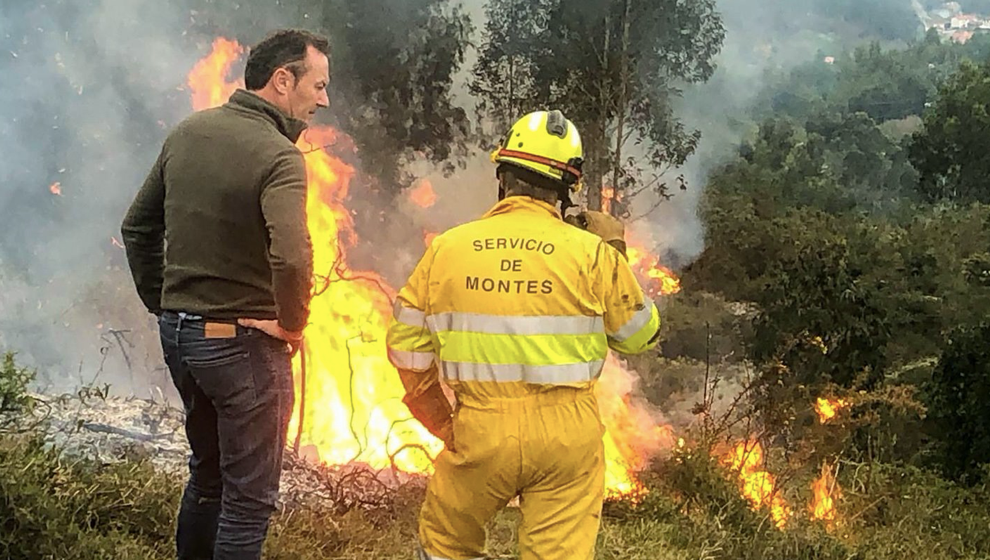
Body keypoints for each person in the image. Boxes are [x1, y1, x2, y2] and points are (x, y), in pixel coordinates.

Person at [385, 110, 662, 560]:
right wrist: (615, 252)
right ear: (567, 191)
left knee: (445, 547)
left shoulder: (447, 249)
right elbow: (639, 335)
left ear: (502, 176)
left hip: (479, 428)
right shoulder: (593, 254)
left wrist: (438, 417)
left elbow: (406, 347)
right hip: (567, 438)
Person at [120, 29, 330, 560]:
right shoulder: (280, 157)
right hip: (242, 347)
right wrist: (292, 324)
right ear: (283, 80)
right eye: (319, 84)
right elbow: (293, 256)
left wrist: (165, 304)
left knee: (208, 478)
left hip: (183, 339)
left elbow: (137, 228)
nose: (324, 99)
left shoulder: (188, 133)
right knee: (249, 499)